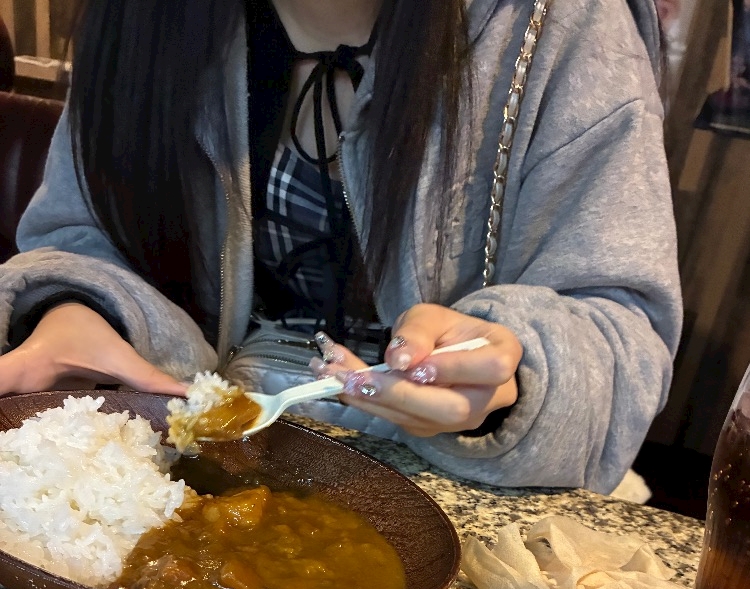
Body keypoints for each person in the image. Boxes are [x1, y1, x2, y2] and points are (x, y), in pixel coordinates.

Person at [0, 0, 681, 493]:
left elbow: (624, 341)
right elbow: (82, 236)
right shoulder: (138, 20)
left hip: (461, 497)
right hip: (178, 467)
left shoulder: (564, 26)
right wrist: (76, 309)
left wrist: (514, 373)